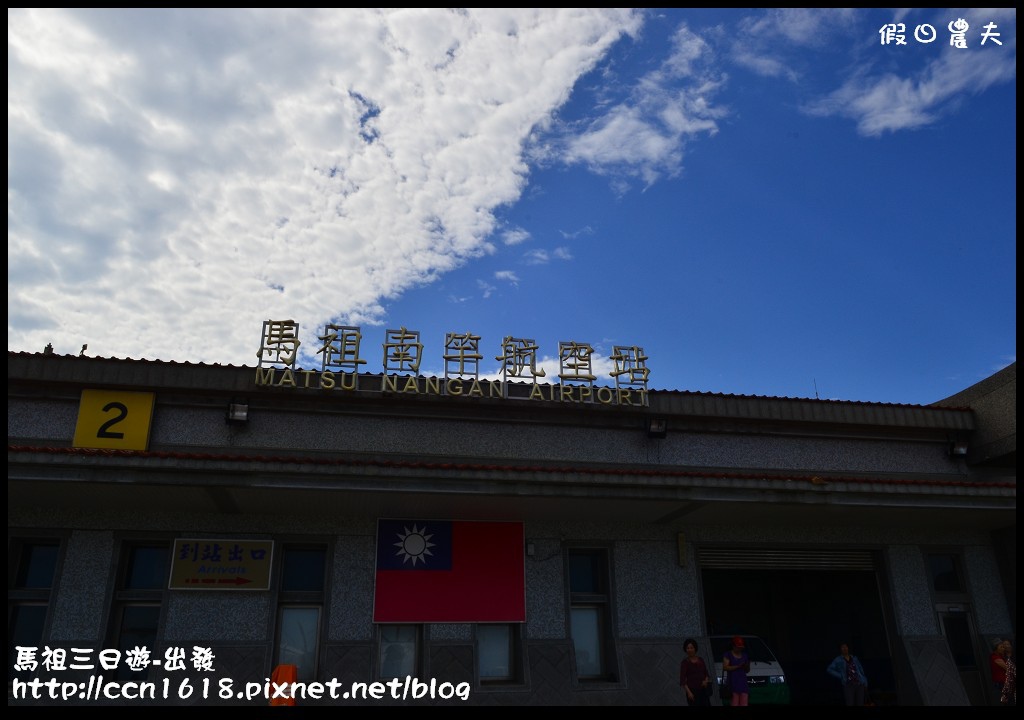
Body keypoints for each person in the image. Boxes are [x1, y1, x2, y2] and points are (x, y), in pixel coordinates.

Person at [827, 642, 869, 706]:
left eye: (846, 647)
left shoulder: (854, 658)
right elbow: (829, 669)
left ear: (848, 648)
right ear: (840, 649)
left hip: (859, 684)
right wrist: (840, 675)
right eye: (842, 647)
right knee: (850, 703)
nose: (845, 648)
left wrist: (865, 681)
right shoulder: (838, 659)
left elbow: (861, 670)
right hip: (848, 685)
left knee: (860, 703)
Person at [680, 637, 712, 706]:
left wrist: (706, 681)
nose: (690, 650)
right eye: (688, 648)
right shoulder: (685, 663)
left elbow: (706, 673)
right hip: (692, 691)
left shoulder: (701, 660)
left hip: (703, 690)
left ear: (695, 648)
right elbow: (682, 680)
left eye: (691, 647)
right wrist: (689, 693)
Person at [722, 635, 751, 706]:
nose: (739, 649)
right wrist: (738, 666)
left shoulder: (744, 655)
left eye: (741, 648)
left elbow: (747, 670)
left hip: (743, 684)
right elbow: (725, 667)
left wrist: (746, 665)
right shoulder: (728, 654)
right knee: (734, 703)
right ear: (733, 646)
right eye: (738, 647)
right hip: (733, 683)